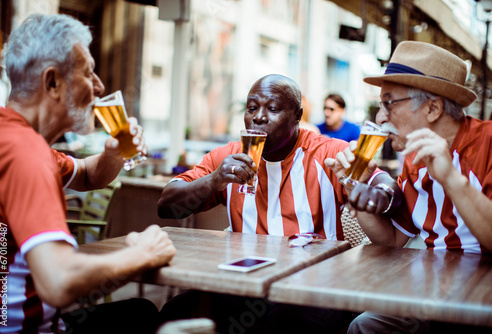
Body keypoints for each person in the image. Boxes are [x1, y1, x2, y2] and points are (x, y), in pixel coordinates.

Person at [157, 74, 402, 333]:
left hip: (312, 286)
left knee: (286, 326)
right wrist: (213, 180)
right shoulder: (228, 157)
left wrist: (378, 194)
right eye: (252, 108)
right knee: (173, 316)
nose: (259, 117)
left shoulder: (326, 152)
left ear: (297, 116)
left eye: (272, 109)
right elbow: (167, 207)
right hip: (243, 284)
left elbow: (388, 186)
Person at [0, 14, 176, 334]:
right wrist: (142, 252)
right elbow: (59, 281)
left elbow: (90, 176)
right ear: (53, 83)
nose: (100, 86)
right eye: (88, 72)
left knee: (139, 311)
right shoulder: (26, 154)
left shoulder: (9, 137)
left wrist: (113, 153)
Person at [326, 41, 492, 333]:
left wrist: (451, 178)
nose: (380, 117)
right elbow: (391, 240)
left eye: (389, 103)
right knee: (364, 327)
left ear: (432, 108)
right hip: (431, 292)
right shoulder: (414, 161)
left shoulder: (487, 144)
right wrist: (353, 185)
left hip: (482, 296)